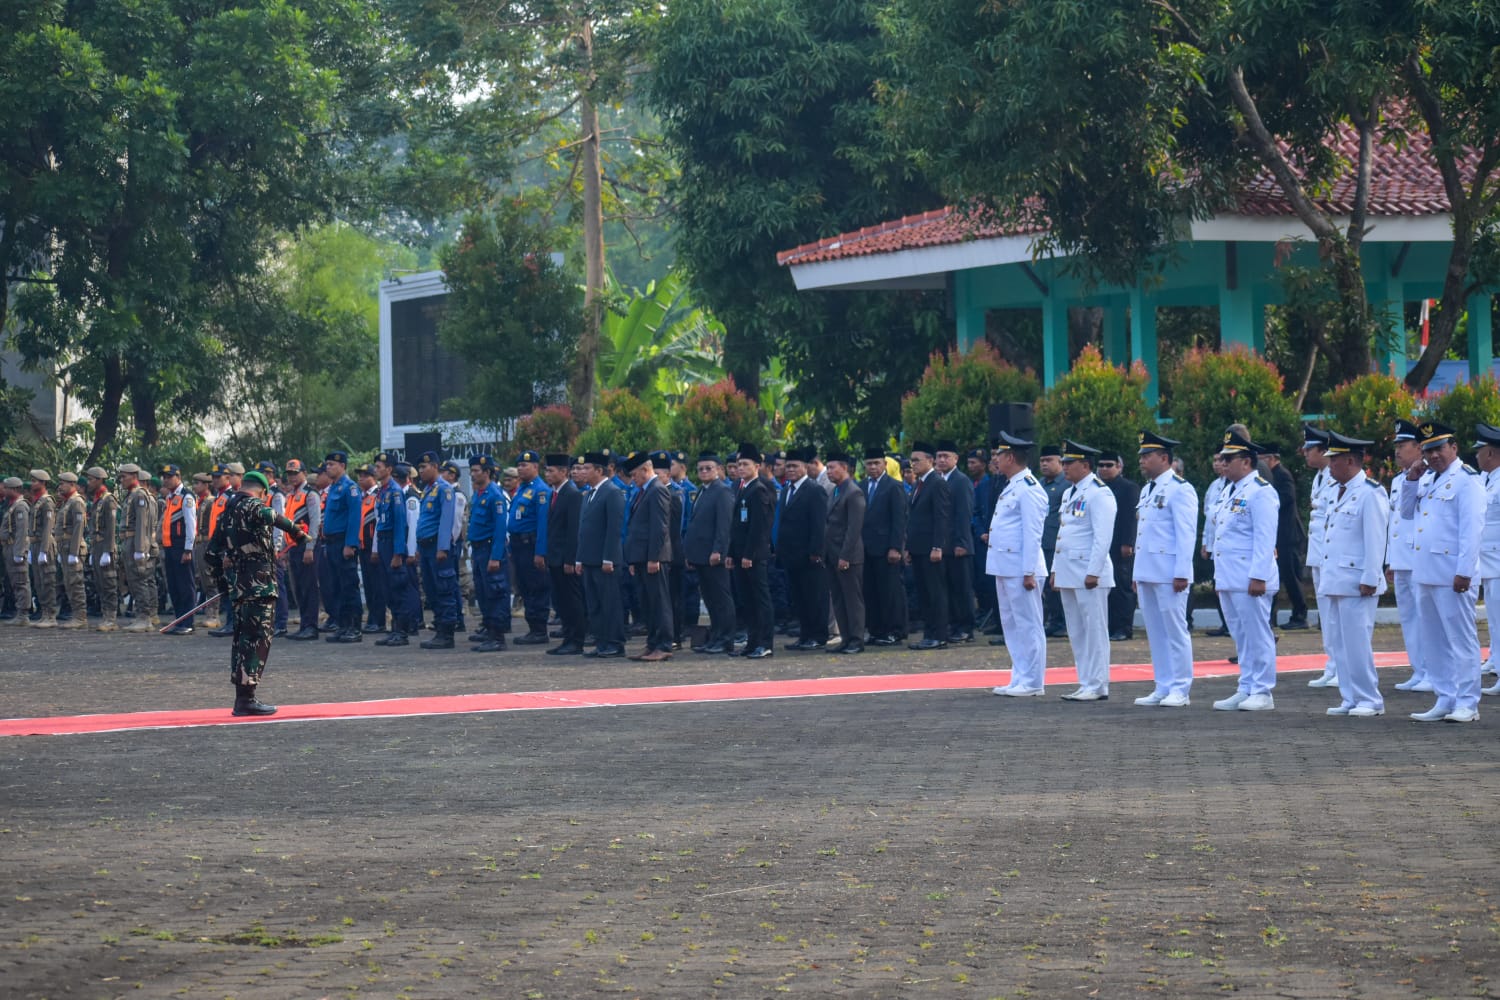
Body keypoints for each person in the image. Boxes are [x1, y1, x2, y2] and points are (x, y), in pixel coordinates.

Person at [206, 469, 310, 716]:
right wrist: (296, 531)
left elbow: (211, 554)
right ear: (262, 491)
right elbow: (272, 515)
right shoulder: (252, 505)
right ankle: (247, 699)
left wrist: (223, 585)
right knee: (257, 640)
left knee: (243, 640)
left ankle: (242, 698)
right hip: (259, 586)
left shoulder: (227, 512)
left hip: (239, 588)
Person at [1399, 421, 1484, 722]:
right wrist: (1410, 479)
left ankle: (1467, 702)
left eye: (1439, 448)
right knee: (1434, 640)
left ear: (1454, 448)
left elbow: (1472, 532)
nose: (1434, 456)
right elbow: (1406, 513)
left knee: (1460, 641)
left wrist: (1465, 572)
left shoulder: (1467, 480)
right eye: (1428, 450)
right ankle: (1445, 697)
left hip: (1452, 575)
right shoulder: (1424, 479)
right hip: (1424, 572)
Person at [1317, 431, 1390, 717]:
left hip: (1357, 581)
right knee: (1340, 644)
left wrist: (1371, 578)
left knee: (1357, 644)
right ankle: (1349, 696)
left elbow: (1375, 540)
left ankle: (1369, 699)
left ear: (1350, 460)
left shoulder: (1370, 493)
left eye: (1334, 460)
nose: (1330, 465)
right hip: (1336, 579)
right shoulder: (1338, 490)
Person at [1209, 431, 1281, 711]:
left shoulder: (1261, 491)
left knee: (1257, 634)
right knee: (1240, 635)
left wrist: (1259, 576)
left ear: (1247, 461)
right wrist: (1220, 578)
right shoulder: (1230, 490)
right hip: (1230, 575)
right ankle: (1247, 685)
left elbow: (1265, 537)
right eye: (1223, 458)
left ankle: (1263, 690)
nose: (1223, 463)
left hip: (1250, 576)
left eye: (1229, 458)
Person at [1132, 432, 1199, 708]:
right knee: (1155, 632)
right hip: (1148, 570)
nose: (1142, 461)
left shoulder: (1181, 489)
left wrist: (1182, 572)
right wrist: (1137, 574)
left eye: (1147, 456)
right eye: (1141, 456)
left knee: (1175, 630)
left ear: (1165, 458)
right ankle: (1163, 685)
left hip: (1170, 572)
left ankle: (1181, 688)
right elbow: (1143, 535)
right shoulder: (1147, 489)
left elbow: (1186, 534)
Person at [1052, 442, 1117, 701]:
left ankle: (1098, 684)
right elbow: (1063, 533)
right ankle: (1085, 680)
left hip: (1089, 572)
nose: (1064, 467)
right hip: (1069, 570)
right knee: (1077, 630)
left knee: (1094, 630)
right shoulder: (1070, 493)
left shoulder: (1099, 493)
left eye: (1070, 463)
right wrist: (1056, 569)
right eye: (1064, 462)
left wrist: (1094, 571)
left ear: (1086, 466)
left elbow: (1103, 537)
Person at [987, 433, 1050, 697]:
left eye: (998, 455)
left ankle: (1033, 681)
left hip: (1022, 568)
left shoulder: (1029, 488)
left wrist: (1028, 571)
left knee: (1028, 624)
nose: (995, 460)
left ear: (1010, 457)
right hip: (1005, 565)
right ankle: (1020, 675)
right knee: (1012, 625)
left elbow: (1032, 533)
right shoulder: (1013, 485)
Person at [1387, 420, 1431, 692]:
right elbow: (1394, 523)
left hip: (1419, 558)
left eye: (1402, 446)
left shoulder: (1429, 477)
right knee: (1409, 618)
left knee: (1425, 617)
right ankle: (1419, 669)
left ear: (1418, 447)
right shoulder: (1397, 480)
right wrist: (1391, 560)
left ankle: (1431, 671)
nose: (1397, 451)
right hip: (1402, 558)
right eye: (1396, 446)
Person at [622, 451, 674, 661]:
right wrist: (634, 559)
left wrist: (654, 557)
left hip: (654, 558)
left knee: (659, 601)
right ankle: (652, 643)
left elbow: (659, 527)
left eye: (635, 474)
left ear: (645, 469)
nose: (632, 479)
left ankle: (664, 644)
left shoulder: (657, 490)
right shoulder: (643, 491)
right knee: (647, 602)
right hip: (641, 557)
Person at [575, 450, 626, 658]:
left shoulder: (612, 492)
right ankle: (602, 641)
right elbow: (583, 529)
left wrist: (609, 558)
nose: (583, 471)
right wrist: (579, 558)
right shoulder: (589, 494)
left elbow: (614, 529)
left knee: (609, 603)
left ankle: (614, 642)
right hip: (589, 558)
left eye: (587, 468)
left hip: (604, 560)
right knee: (594, 604)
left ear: (599, 470)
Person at [778, 447, 830, 650]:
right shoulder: (785, 491)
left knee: (814, 597)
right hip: (791, 554)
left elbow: (819, 524)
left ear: (805, 467)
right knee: (799, 598)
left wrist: (816, 551)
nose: (790, 470)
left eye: (794, 466)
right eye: (787, 466)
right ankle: (805, 634)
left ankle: (817, 635)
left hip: (809, 554)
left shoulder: (814, 489)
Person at [1298, 426, 1338, 686]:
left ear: (1323, 451)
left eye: (1309, 449)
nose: (1304, 453)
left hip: (1331, 554)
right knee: (1326, 613)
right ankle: (1332, 663)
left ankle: (1341, 667)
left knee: (1336, 614)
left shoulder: (1335, 477)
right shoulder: (1320, 477)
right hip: (1318, 553)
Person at [686, 452, 735, 654]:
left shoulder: (722, 491)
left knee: (721, 598)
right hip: (700, 555)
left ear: (718, 470)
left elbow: (724, 525)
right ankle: (715, 637)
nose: (704, 472)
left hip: (714, 555)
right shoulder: (701, 491)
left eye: (709, 468)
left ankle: (725, 639)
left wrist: (719, 550)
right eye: (701, 469)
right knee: (710, 599)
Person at [730, 444, 776, 658]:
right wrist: (732, 553)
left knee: (760, 599)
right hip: (740, 554)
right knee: (746, 599)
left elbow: (760, 526)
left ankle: (765, 643)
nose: (741, 468)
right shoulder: (741, 487)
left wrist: (750, 554)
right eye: (739, 464)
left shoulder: (759, 489)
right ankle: (752, 640)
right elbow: (736, 525)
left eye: (745, 464)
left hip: (754, 555)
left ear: (757, 465)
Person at [906, 442, 952, 650]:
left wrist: (938, 546)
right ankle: (929, 632)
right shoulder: (919, 484)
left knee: (936, 592)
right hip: (918, 547)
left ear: (930, 460)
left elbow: (941, 517)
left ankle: (939, 634)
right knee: (923, 592)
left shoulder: (937, 483)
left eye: (917, 460)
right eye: (912, 460)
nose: (913, 464)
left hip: (931, 548)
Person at [861, 446, 908, 646]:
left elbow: (899, 520)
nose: (873, 467)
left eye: (876, 463)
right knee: (870, 591)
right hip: (865, 547)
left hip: (886, 546)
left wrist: (896, 547)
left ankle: (895, 630)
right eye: (869, 464)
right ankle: (876, 629)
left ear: (885, 464)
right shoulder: (861, 486)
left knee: (890, 591)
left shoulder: (893, 486)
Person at [415, 451, 461, 649]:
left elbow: (446, 521)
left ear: (434, 467)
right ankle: (439, 628)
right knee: (432, 590)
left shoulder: (444, 489)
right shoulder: (427, 489)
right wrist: (417, 546)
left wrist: (443, 547)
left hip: (437, 547)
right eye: (419, 468)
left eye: (424, 467)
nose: (420, 471)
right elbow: (423, 520)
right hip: (425, 547)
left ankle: (447, 633)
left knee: (444, 589)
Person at [1260, 442, 1309, 629]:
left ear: (1272, 459)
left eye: (1263, 460)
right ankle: (1271, 617)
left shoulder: (1282, 475)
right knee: (1274, 578)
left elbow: (1286, 498)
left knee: (1292, 577)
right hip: (1278, 537)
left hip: (1289, 536)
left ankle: (1300, 615)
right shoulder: (1268, 476)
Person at [539, 454, 585, 655]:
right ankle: (568, 636)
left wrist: (570, 559)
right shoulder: (554, 493)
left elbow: (573, 530)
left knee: (571, 600)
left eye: (551, 470)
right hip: (555, 557)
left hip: (565, 558)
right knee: (561, 601)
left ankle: (575, 639)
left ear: (564, 472)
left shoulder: (572, 494)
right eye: (547, 470)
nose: (547, 474)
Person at [318, 451, 365, 643]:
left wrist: (350, 544)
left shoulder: (350, 488)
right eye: (327, 464)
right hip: (331, 543)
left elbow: (355, 518)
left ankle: (354, 627)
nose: (328, 467)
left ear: (342, 466)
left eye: (332, 464)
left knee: (349, 586)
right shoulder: (333, 488)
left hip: (343, 542)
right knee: (336, 586)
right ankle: (343, 625)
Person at [466, 454, 510, 653]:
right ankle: (489, 630)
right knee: (483, 593)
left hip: (489, 548)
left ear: (487, 472)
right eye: (472, 471)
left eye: (476, 471)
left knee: (495, 592)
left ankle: (498, 636)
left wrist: (495, 556)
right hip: (478, 549)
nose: (473, 474)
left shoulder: (495, 495)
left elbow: (500, 529)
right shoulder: (479, 493)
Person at [823, 450, 866, 654]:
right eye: (828, 467)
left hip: (847, 556)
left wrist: (845, 556)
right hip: (832, 555)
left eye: (832, 467)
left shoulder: (853, 492)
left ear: (845, 468)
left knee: (852, 599)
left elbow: (854, 528)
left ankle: (857, 639)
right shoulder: (835, 491)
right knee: (839, 599)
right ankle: (846, 637)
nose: (829, 471)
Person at [508, 450, 554, 644]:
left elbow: (543, 524)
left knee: (536, 587)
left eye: (524, 465)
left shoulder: (540, 490)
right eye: (518, 465)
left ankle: (539, 629)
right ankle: (532, 628)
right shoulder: (523, 489)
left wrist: (540, 552)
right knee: (525, 587)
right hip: (519, 545)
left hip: (531, 544)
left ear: (535, 467)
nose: (520, 468)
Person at [373, 454, 416, 647]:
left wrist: (399, 553)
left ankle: (402, 631)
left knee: (398, 588)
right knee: (388, 588)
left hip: (392, 542)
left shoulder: (395, 492)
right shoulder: (382, 492)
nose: (376, 470)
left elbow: (400, 524)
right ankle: (394, 629)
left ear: (389, 469)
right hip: (383, 541)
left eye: (379, 466)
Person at [936, 442, 977, 642]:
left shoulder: (961, 481)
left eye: (946, 456)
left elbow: (964, 513)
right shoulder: (939, 480)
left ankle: (966, 627)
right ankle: (954, 624)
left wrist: (961, 542)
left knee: (962, 588)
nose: (942, 460)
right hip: (944, 546)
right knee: (949, 588)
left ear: (955, 459)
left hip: (958, 545)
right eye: (939, 456)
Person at [1096, 451, 1139, 640]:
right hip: (1102, 544)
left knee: (1122, 586)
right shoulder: (1097, 488)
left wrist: (1128, 542)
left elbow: (1130, 517)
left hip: (1120, 543)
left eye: (1109, 465)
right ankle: (1111, 625)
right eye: (1101, 465)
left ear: (1119, 467)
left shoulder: (1128, 487)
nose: (1104, 469)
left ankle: (1124, 627)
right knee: (1106, 586)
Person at [281, 459, 323, 640]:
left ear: (304, 473)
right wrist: (284, 549)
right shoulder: (291, 495)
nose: (292, 477)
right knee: (298, 587)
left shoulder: (310, 494)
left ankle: (311, 626)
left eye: (295, 473)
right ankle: (304, 623)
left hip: (306, 546)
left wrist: (310, 547)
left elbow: (315, 522)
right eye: (289, 474)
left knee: (309, 587)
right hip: (293, 547)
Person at [1474, 424, 1500, 694]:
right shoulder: (1488, 479)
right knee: (1495, 620)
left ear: (1491, 452)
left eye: (1479, 451)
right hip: (1491, 565)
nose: (1477, 457)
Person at [118, 463, 160, 633]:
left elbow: (142, 525)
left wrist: (140, 549)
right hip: (131, 542)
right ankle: (144, 616)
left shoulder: (140, 495)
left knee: (140, 580)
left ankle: (145, 618)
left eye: (124, 476)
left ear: (134, 476)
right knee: (137, 580)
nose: (122, 480)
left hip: (137, 542)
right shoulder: (132, 495)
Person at [156, 464, 198, 634]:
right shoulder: (170, 497)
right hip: (169, 546)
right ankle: (179, 620)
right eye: (164, 477)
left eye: (169, 476)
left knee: (185, 585)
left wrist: (188, 549)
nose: (165, 479)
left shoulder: (186, 497)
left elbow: (190, 524)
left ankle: (188, 622)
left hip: (181, 547)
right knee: (173, 585)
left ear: (178, 477)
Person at [1037, 445, 1067, 637]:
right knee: (1046, 586)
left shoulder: (1066, 484)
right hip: (1041, 541)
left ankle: (1061, 622)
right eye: (1042, 461)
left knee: (1058, 585)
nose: (1045, 464)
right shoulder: (1039, 483)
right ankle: (1053, 619)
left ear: (1060, 462)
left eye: (1049, 460)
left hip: (1056, 542)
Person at [53, 472, 88, 630]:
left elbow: (78, 528)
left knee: (75, 583)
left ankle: (80, 617)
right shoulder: (67, 502)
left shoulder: (76, 502)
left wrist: (74, 552)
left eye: (63, 483)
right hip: (65, 548)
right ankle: (76, 615)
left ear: (72, 485)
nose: (60, 486)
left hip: (73, 548)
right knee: (68, 582)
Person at [356, 463, 387, 634]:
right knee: (367, 584)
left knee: (377, 585)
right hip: (362, 546)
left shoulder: (378, 495)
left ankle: (379, 619)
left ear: (373, 477)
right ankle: (372, 618)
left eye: (365, 475)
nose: (361, 478)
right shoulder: (360, 497)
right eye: (359, 475)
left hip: (373, 547)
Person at [86, 467, 118, 631]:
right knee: (99, 582)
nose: (88, 482)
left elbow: (111, 527)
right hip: (97, 545)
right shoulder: (97, 499)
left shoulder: (108, 500)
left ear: (99, 480)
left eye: (91, 479)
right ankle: (106, 615)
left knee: (108, 582)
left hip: (105, 545)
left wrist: (108, 550)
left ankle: (111, 617)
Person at [27, 470, 59, 628]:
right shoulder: (37, 501)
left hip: (44, 544)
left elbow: (47, 527)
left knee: (47, 581)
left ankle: (51, 615)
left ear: (42, 483)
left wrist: (44, 550)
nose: (32, 483)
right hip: (36, 543)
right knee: (39, 582)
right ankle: (45, 612)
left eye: (35, 481)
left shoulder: (47, 502)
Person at [1, 477, 31, 626]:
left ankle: (23, 615)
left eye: (6, 488)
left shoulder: (20, 507)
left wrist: (19, 552)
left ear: (14, 489)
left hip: (15, 548)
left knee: (21, 581)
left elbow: (22, 531)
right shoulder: (12, 506)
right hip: (9, 547)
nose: (4, 490)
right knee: (15, 581)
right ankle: (20, 613)